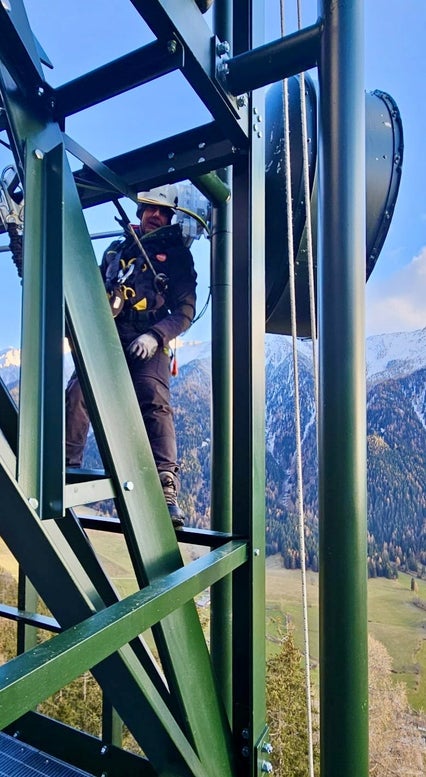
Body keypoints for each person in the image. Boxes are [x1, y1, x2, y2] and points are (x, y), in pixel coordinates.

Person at [65, 185, 197, 527]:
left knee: (154, 399)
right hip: (107, 335)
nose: (155, 215)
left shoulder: (177, 256)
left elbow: (184, 311)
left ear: (170, 217)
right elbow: (91, 292)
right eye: (149, 209)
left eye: (162, 211)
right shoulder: (116, 251)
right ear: (139, 210)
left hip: (147, 337)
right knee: (79, 392)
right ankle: (66, 466)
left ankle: (166, 487)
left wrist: (155, 336)